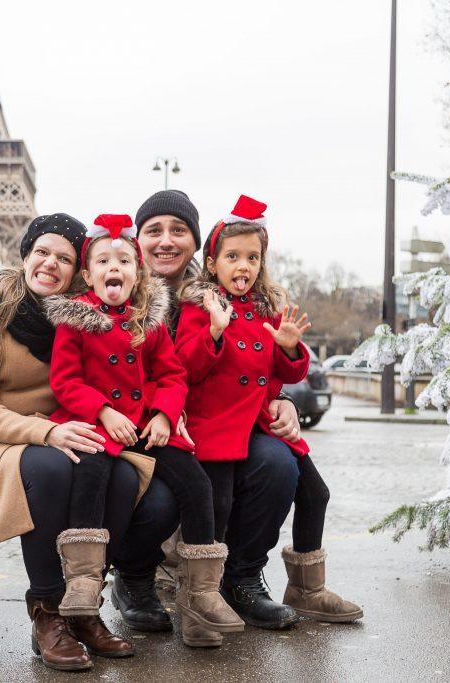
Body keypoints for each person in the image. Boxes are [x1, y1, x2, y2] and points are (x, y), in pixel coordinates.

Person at [0, 214, 162, 671]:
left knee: (118, 475)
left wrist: (172, 409)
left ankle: (83, 608)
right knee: (51, 468)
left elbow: (141, 371)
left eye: (64, 258)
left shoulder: (90, 316)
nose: (50, 263)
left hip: (71, 430)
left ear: (79, 271)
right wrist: (47, 431)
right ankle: (47, 612)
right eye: (42, 252)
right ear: (26, 255)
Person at [108, 189, 306, 636]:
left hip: (208, 426)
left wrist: (283, 398)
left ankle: (240, 578)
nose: (165, 240)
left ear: (198, 245)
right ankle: (133, 577)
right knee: (160, 499)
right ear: (135, 239)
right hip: (136, 426)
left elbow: (263, 357)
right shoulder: (112, 286)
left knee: (278, 465)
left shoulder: (223, 293)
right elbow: (65, 356)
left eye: (178, 230)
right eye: (153, 230)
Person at [43, 214, 242, 646]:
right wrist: (102, 412)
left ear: (138, 272)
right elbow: (65, 381)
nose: (113, 268)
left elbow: (172, 375)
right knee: (89, 476)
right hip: (99, 425)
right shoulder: (73, 320)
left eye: (123, 261)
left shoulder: (146, 322)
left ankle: (201, 595)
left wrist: (165, 415)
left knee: (198, 486)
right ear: (88, 274)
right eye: (103, 261)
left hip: (147, 426)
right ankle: (83, 580)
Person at [175, 195, 363, 624]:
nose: (243, 266)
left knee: (315, 491)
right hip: (218, 425)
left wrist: (291, 347)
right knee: (221, 503)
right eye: (233, 256)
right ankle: (212, 589)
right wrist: (216, 333)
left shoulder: (266, 309)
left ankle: (301, 587)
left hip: (257, 421)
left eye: (253, 257)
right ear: (212, 263)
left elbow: (285, 375)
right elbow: (186, 367)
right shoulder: (199, 306)